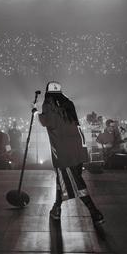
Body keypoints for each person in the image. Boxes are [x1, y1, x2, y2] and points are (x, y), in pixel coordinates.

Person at [38, 81, 104, 225]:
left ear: (47, 92)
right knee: (64, 180)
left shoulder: (48, 103)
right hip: (78, 148)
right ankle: (56, 209)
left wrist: (36, 112)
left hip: (64, 151)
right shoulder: (68, 103)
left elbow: (48, 122)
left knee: (75, 182)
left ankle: (95, 213)